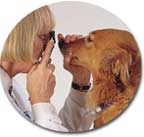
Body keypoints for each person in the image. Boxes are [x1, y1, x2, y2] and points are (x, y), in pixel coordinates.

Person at [0, 6, 95, 132]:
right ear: (20, 36)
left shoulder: (14, 91)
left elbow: (62, 130)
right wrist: (40, 100)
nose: (48, 47)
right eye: (44, 37)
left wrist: (81, 81)